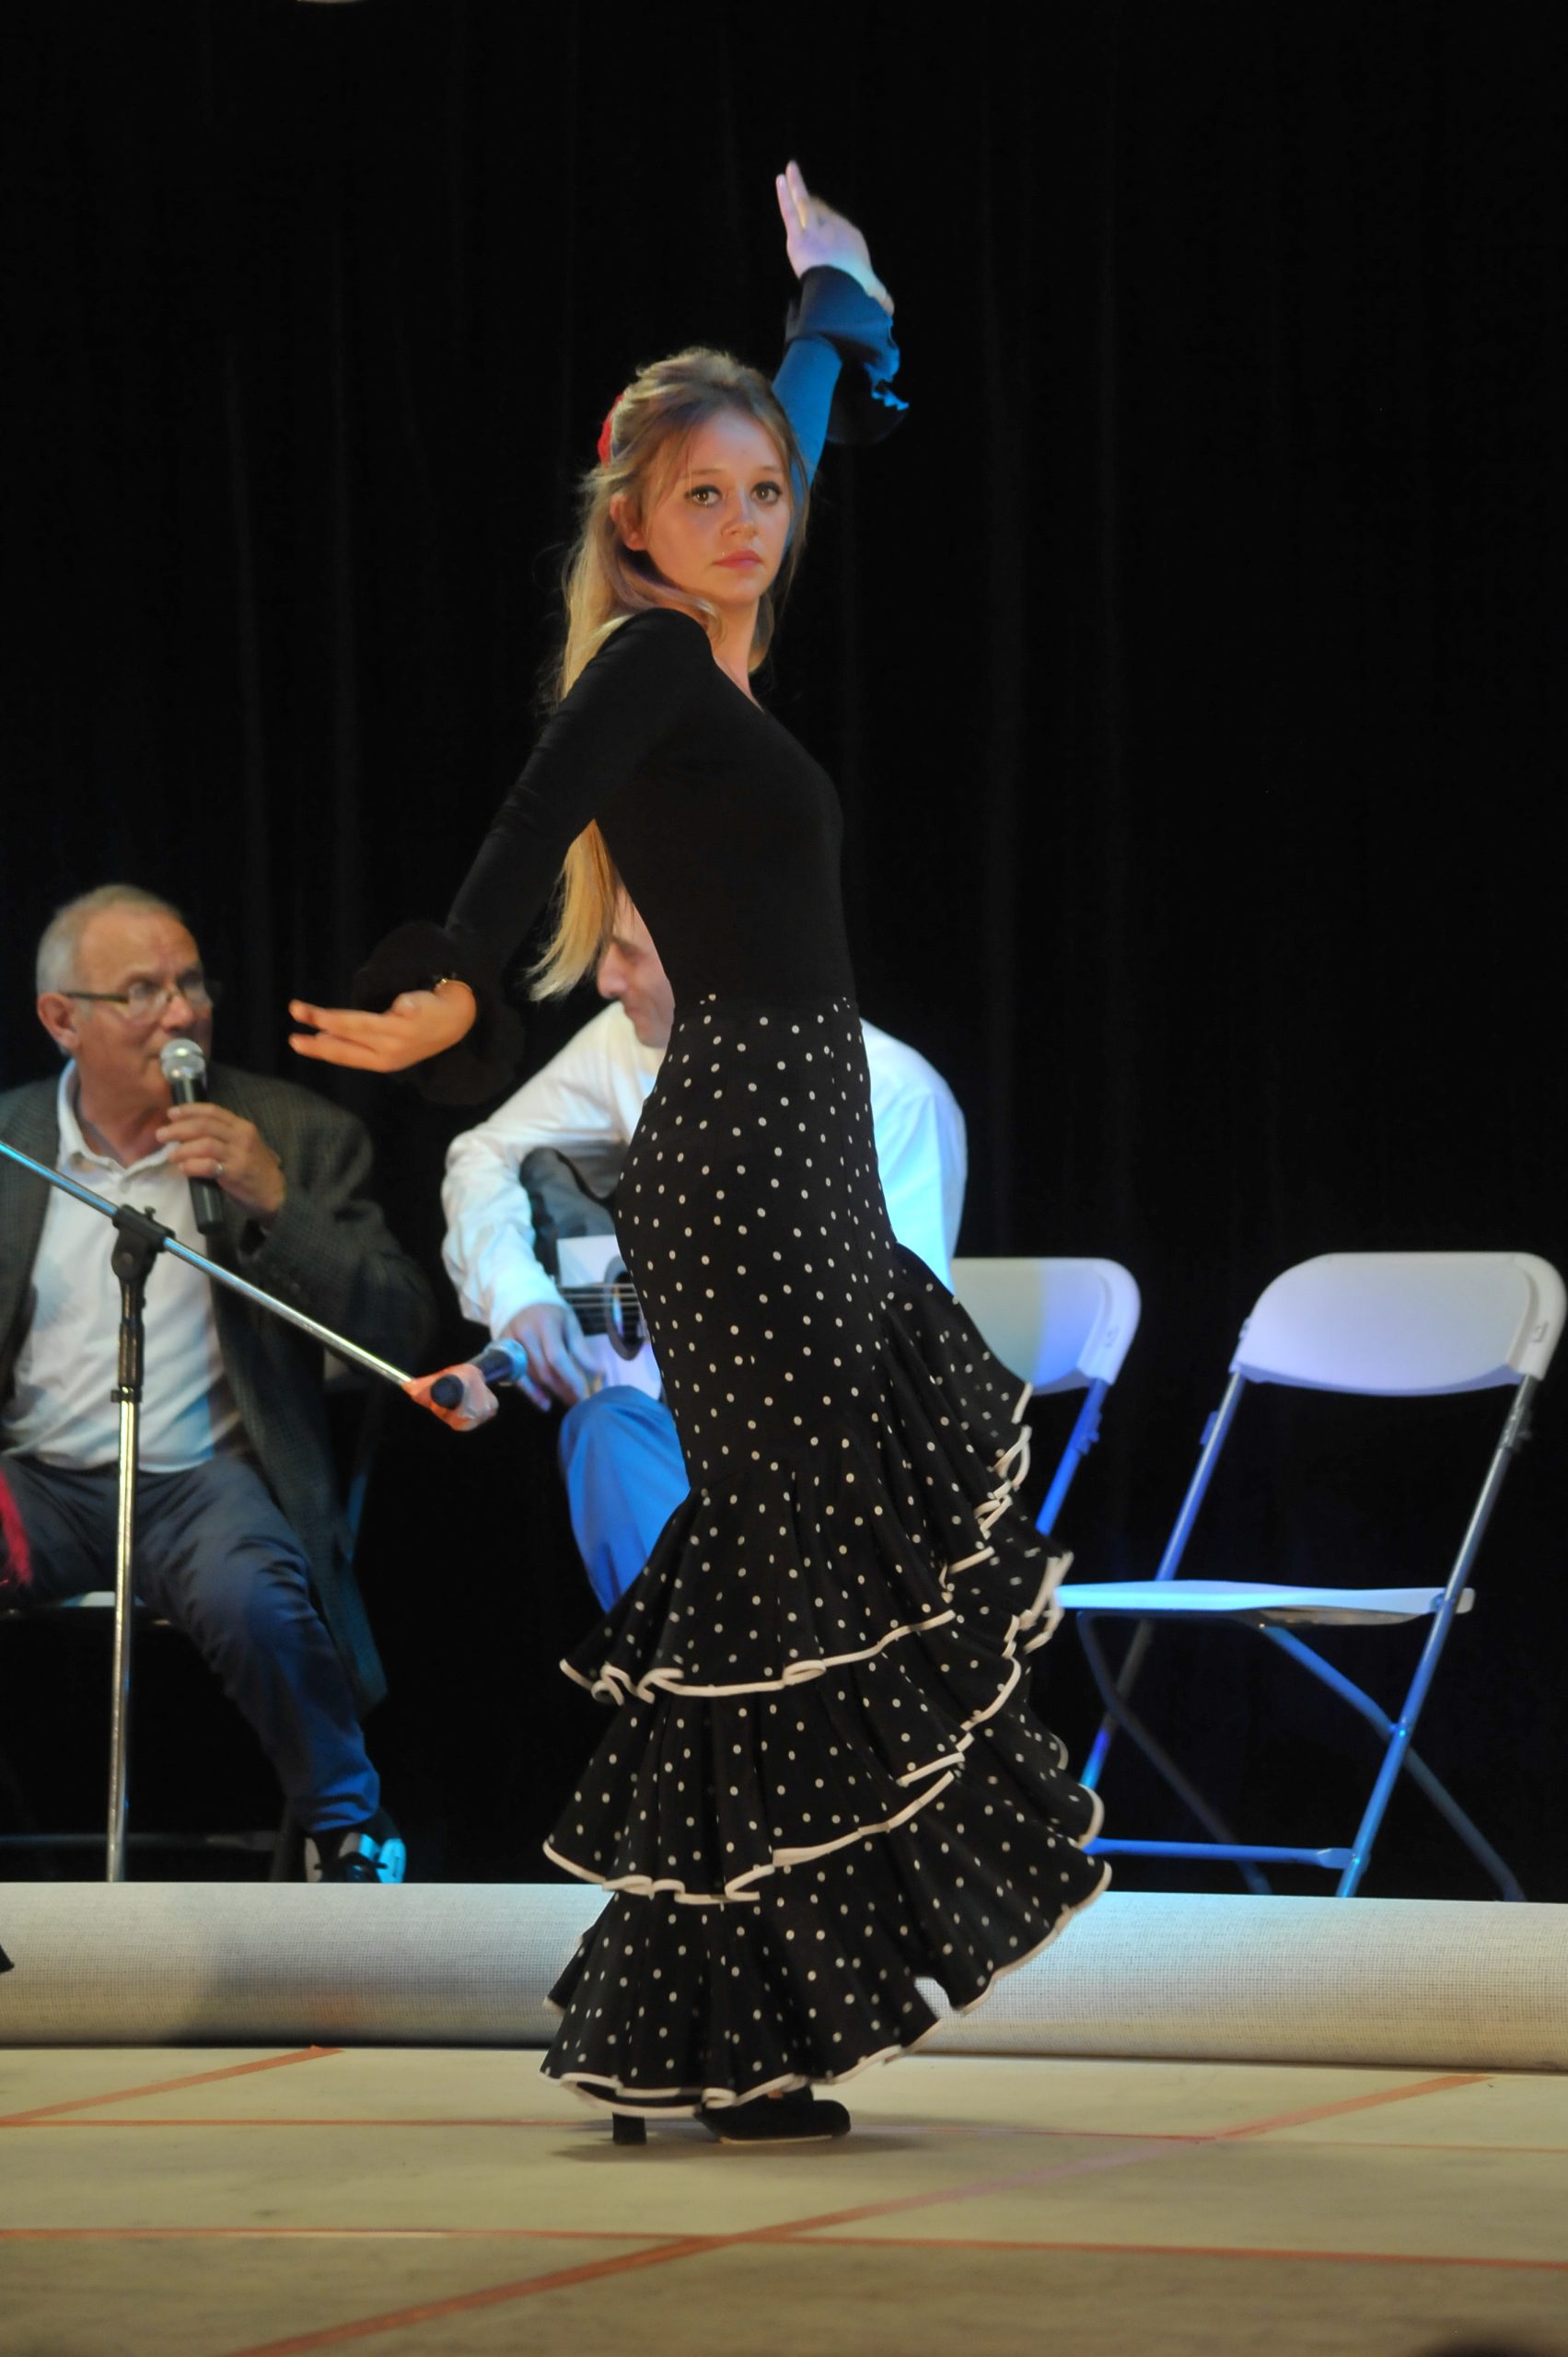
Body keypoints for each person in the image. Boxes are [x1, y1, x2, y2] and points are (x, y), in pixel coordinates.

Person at [290, 165, 1107, 2135]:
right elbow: (526, 819)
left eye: (760, 497)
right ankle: (729, 2025)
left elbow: (794, 440)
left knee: (790, 1574)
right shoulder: (650, 664)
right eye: (704, 500)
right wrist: (448, 979)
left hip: (786, 1141)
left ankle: (721, 2023)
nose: (748, 523)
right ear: (632, 525)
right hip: (744, 1150)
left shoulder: (713, 656)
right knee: (782, 1575)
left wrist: (830, 303)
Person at [0, 885, 433, 1881]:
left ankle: (347, 1832)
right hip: (38, 1482)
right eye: (141, 992)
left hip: (203, 1485)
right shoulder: (12, 1142)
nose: (182, 1013)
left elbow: (401, 1327)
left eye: (191, 984)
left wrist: (276, 1202)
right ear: (62, 1019)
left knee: (258, 1602)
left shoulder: (296, 1132)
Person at [440, 889, 968, 1610]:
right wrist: (517, 1292)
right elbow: (486, 1154)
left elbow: (879, 1359)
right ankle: (689, 1662)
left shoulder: (892, 1092)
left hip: (831, 1466)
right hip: (688, 1445)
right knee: (605, 1427)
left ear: (720, 954)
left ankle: (722, 1663)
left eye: (627, 954)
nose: (606, 981)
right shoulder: (623, 1046)